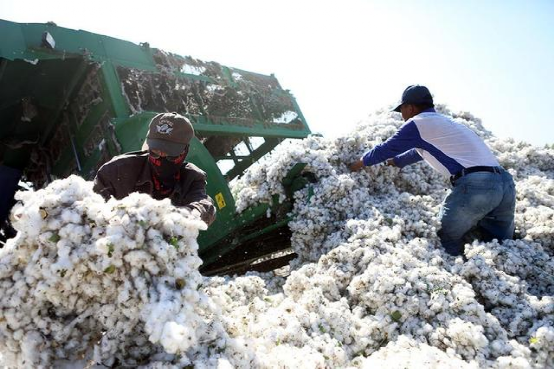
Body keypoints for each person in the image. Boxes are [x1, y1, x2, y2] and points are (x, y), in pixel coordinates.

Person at [350, 85, 516, 256]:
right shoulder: (447, 123)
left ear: (410, 107)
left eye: (402, 110)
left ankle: (453, 278)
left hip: (478, 186)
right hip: (505, 184)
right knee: (499, 245)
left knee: (444, 237)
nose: (402, 116)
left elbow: (386, 148)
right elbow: (420, 152)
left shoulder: (417, 123)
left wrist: (358, 164)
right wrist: (397, 162)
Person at [93, 112, 216, 226]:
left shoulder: (192, 177)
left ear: (184, 151)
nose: (161, 156)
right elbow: (92, 209)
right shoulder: (116, 172)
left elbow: (205, 206)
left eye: (169, 152)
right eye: (156, 151)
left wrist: (177, 216)